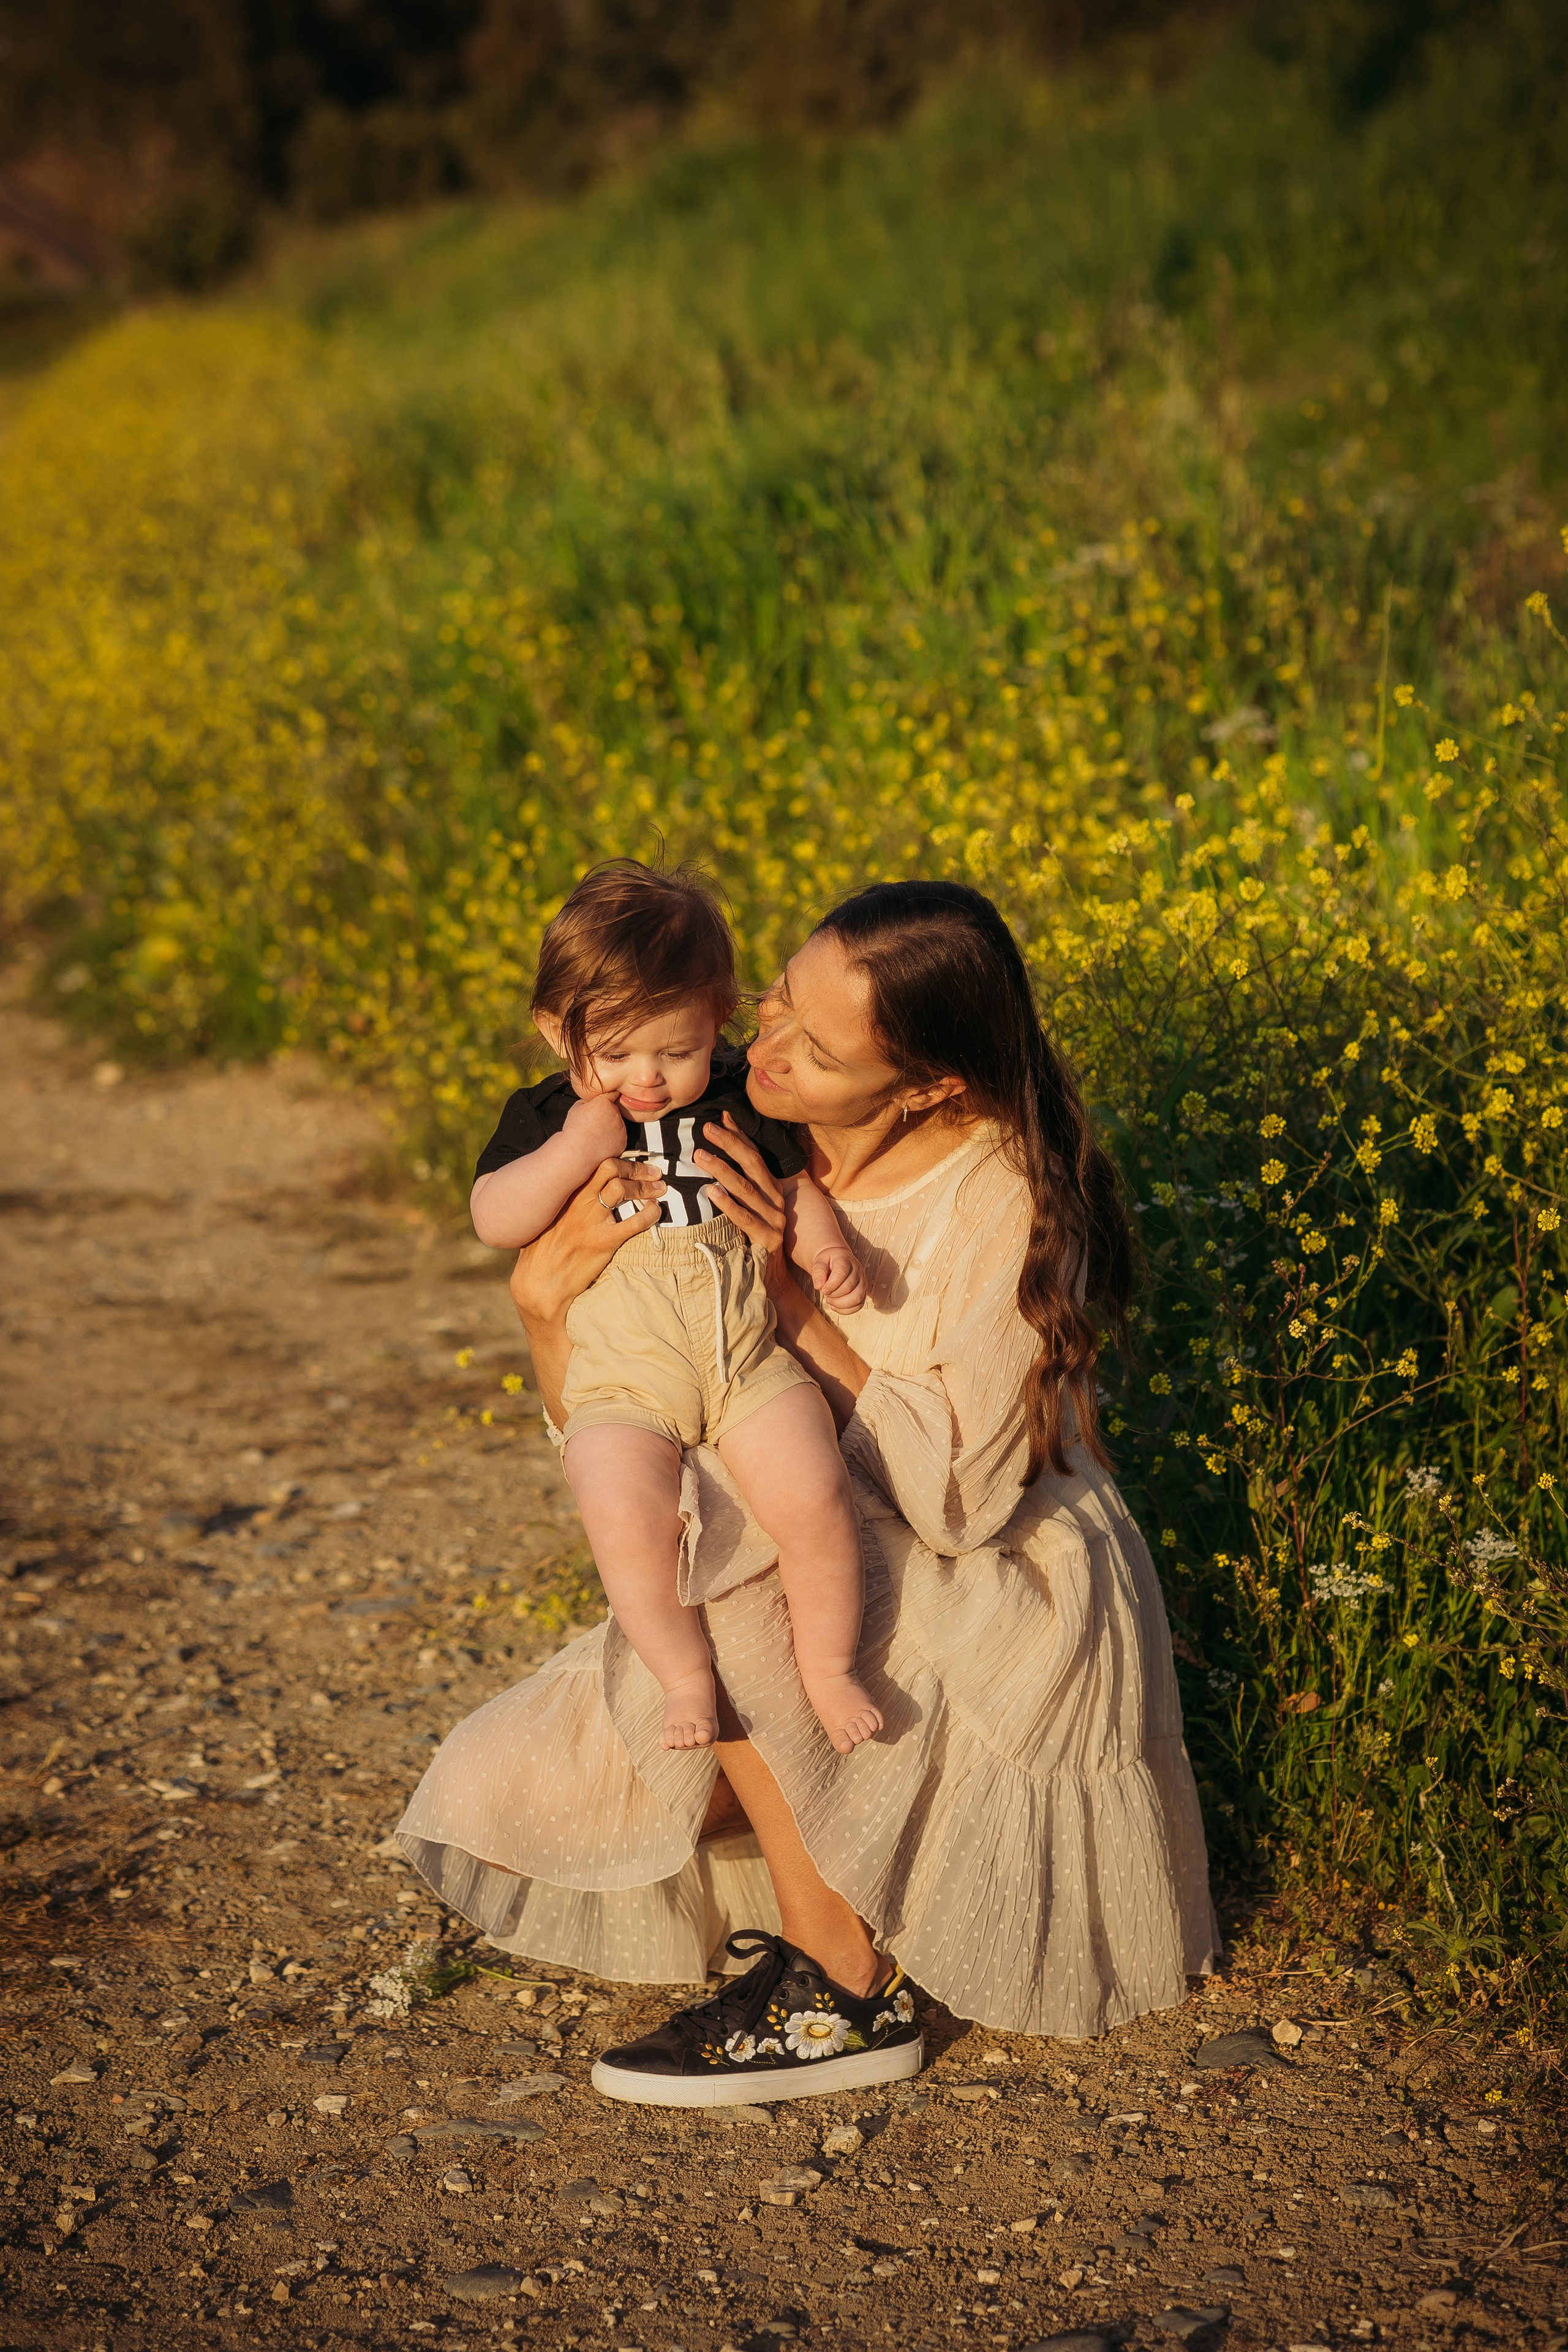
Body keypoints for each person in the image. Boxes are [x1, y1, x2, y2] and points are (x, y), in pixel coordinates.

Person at [395, 880, 1219, 2108]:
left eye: (809, 1047)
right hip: (815, 1507)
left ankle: (838, 1988)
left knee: (727, 1597)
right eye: (772, 1007)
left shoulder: (999, 1198)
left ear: (929, 1083)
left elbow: (958, 1504)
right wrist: (539, 1307)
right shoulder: (722, 1110)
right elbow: (619, 1413)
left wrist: (795, 1308)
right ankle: (839, 1886)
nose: (760, 1050)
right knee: (608, 1674)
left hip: (1006, 1577)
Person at [470, 860, 882, 1757]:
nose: (646, 1080)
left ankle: (830, 1666)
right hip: (627, 1383)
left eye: (677, 1051)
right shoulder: (547, 1116)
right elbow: (495, 1219)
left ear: (716, 1027)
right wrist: (576, 1147)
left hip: (744, 1365)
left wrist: (824, 1249)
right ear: (555, 1033)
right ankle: (684, 1674)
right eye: (613, 1056)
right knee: (621, 1514)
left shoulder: (736, 1099)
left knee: (814, 1494)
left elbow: (794, 1186)